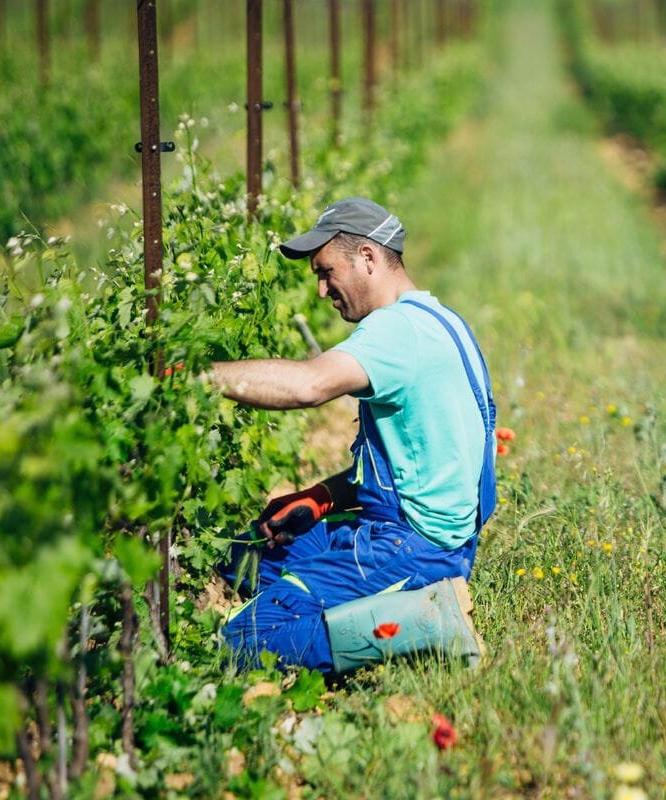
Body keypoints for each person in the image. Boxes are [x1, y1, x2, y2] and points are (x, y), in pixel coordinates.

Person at [211, 197, 495, 673]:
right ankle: (359, 604)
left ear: (367, 257)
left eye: (326, 272)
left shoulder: (395, 331)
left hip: (412, 548)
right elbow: (418, 460)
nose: (322, 290)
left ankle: (426, 622)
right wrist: (322, 496)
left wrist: (201, 376)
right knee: (243, 557)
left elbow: (308, 386)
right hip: (422, 534)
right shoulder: (439, 319)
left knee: (240, 642)